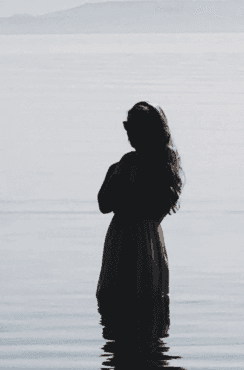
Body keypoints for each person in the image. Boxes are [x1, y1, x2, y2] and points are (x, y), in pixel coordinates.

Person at [96, 101, 184, 339]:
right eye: (127, 128)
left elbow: (154, 208)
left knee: (138, 300)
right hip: (127, 236)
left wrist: (129, 179)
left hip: (142, 240)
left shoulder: (162, 166)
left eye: (133, 128)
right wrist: (118, 173)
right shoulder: (122, 165)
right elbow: (104, 204)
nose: (129, 135)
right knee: (118, 302)